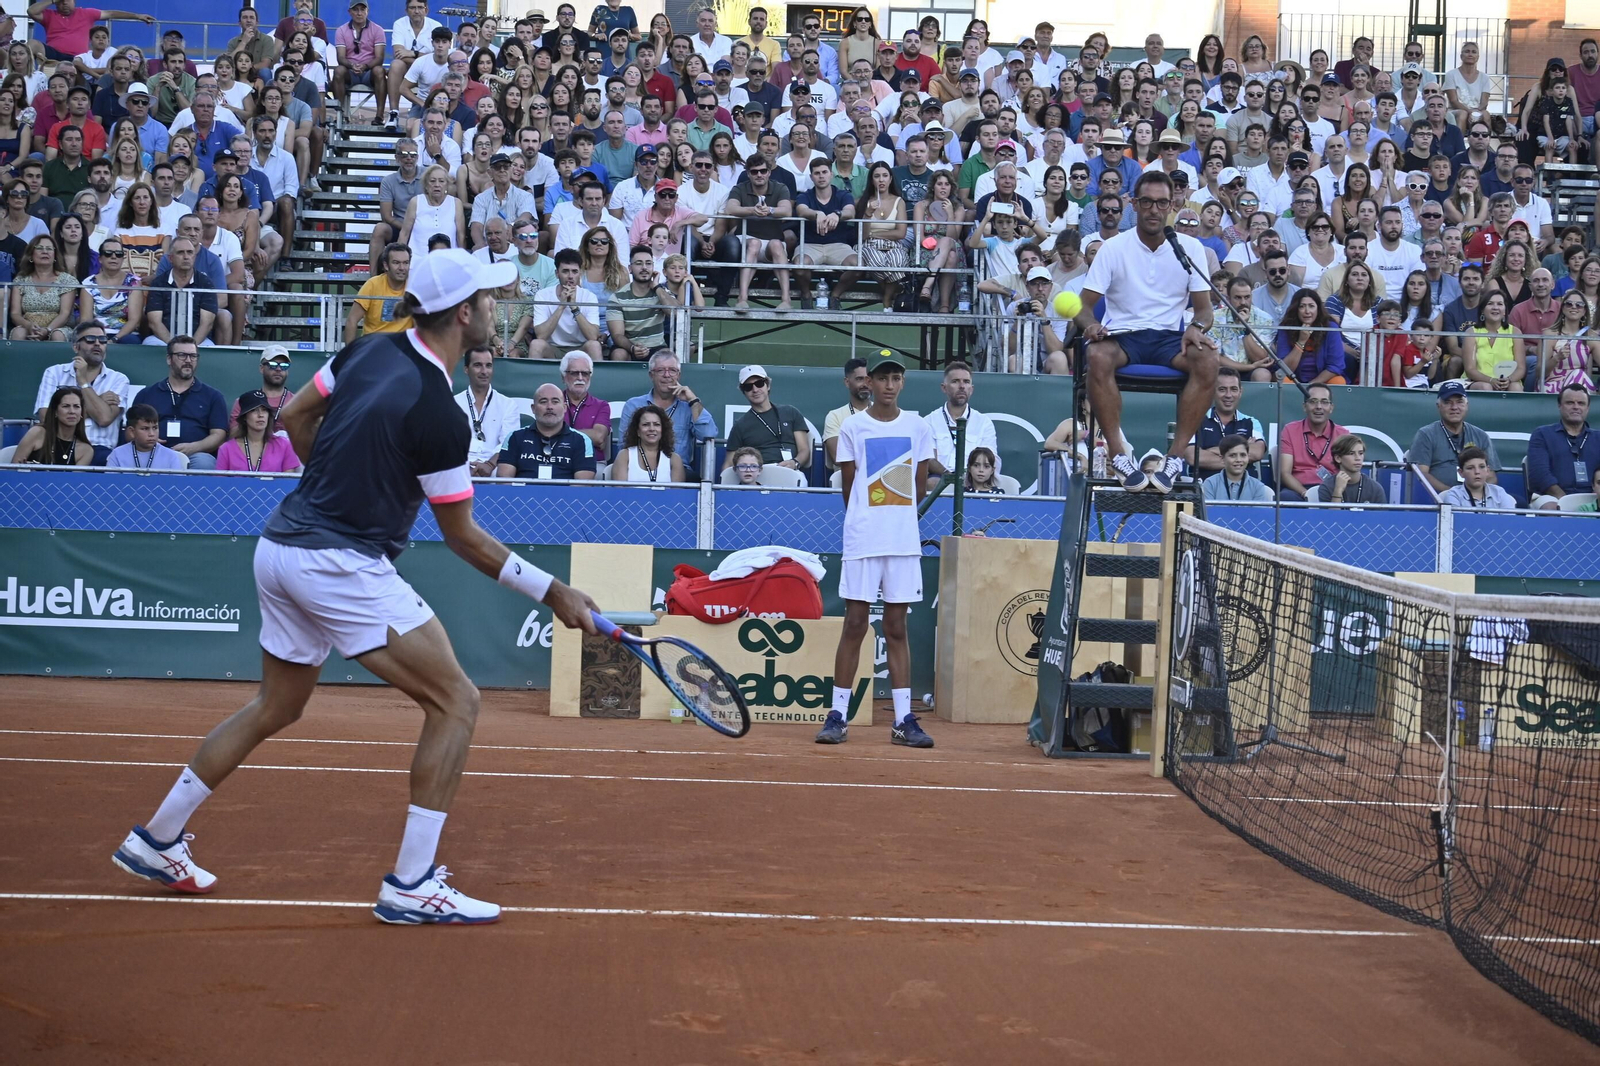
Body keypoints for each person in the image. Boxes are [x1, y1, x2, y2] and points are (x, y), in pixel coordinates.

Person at [113, 248, 601, 923]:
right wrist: (557, 593)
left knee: (276, 706)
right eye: (488, 298)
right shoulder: (441, 413)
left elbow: (294, 419)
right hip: (338, 562)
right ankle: (412, 883)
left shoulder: (367, 349)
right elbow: (462, 537)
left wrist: (337, 482)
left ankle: (157, 838)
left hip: (280, 546)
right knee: (457, 702)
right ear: (464, 313)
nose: (496, 306)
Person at [815, 350, 935, 749]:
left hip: (901, 540)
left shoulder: (918, 426)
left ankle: (903, 720)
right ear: (869, 383)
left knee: (897, 626)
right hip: (864, 538)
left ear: (902, 382)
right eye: (881, 377)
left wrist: (893, 516)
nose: (887, 384)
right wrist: (868, 521)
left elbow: (919, 487)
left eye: (894, 377)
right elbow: (849, 488)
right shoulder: (853, 427)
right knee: (855, 623)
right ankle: (837, 715)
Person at [1070, 170, 1219, 491]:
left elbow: (1205, 310)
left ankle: (1176, 458)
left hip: (1170, 339)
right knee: (1095, 355)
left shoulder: (1189, 248)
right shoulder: (1112, 248)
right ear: (1134, 205)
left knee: (1208, 360)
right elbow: (1083, 307)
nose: (1154, 209)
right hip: (1123, 337)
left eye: (1161, 203)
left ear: (1171, 206)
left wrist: (1196, 327)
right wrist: (1092, 325)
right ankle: (1118, 454)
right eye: (1147, 202)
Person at [129, 337, 227, 470]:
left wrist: (194, 447)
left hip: (196, 455)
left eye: (193, 356)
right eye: (182, 355)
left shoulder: (213, 396)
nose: (188, 360)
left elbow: (219, 435)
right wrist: (147, 441)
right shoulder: (147, 394)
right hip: (152, 452)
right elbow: (130, 432)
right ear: (169, 359)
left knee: (204, 463)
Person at [618, 348, 717, 478]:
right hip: (639, 471)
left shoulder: (689, 407)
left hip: (679, 471)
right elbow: (624, 445)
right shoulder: (633, 405)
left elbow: (708, 434)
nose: (667, 375)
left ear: (679, 375)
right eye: (660, 370)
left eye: (672, 370)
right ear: (651, 375)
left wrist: (693, 400)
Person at [33, 319, 127, 451]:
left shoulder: (119, 379)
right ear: (75, 347)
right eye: (90, 339)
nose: (97, 344)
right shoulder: (54, 372)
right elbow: (46, 417)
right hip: (59, 445)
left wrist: (83, 382)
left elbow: (104, 418)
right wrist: (99, 401)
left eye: (102, 340)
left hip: (99, 449)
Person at [495, 383, 598, 481]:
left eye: (555, 401)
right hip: (522, 498)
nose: (549, 407)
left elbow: (582, 487)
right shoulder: (515, 437)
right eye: (543, 402)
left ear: (565, 408)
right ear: (533, 408)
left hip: (566, 498)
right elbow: (505, 482)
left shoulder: (581, 441)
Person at [921, 360, 997, 489]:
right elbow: (928, 459)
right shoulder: (929, 421)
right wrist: (950, 477)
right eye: (955, 381)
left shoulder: (984, 422)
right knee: (932, 483)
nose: (962, 386)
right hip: (942, 478)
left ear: (971, 389)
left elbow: (992, 458)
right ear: (944, 388)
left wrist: (969, 476)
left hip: (974, 478)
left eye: (966, 382)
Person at [723, 363, 810, 471]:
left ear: (768, 385)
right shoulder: (740, 425)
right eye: (748, 387)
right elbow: (729, 463)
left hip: (791, 471)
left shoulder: (790, 412)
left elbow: (804, 450)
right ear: (744, 392)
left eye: (759, 383)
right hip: (758, 475)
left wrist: (795, 463)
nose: (755, 390)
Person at [1527, 385, 1600, 510]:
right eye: (1570, 403)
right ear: (1559, 406)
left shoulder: (1598, 437)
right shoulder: (1542, 434)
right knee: (1551, 507)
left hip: (1594, 496)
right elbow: (1540, 475)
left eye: (1581, 403)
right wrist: (1565, 500)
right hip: (1552, 496)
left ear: (1587, 408)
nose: (1576, 407)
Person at [454, 346, 522, 478]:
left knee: (505, 471)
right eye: (478, 365)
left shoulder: (507, 405)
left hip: (494, 468)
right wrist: (463, 468)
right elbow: (448, 443)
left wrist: (490, 465)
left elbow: (508, 443)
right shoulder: (453, 403)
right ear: (466, 369)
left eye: (488, 366)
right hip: (459, 466)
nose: (484, 371)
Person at [522, 247, 602, 359]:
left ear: (580, 273)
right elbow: (541, 335)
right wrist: (561, 306)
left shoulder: (589, 297)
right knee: (536, 344)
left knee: (594, 345)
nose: (570, 276)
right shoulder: (543, 295)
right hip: (553, 348)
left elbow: (593, 336)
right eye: (565, 271)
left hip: (581, 348)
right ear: (557, 273)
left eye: (574, 271)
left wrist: (574, 307)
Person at [1276, 383, 1348, 501]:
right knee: (1285, 497)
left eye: (1324, 402)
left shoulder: (1343, 434)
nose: (1318, 406)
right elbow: (1285, 473)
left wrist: (1335, 491)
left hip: (1331, 489)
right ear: (1305, 406)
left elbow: (1347, 471)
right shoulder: (1290, 430)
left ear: (1331, 407)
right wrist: (1306, 493)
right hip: (1299, 490)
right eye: (1313, 401)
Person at [27, 0, 153, 63]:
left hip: (78, 58)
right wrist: (53, 0)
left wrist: (137, 16)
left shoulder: (86, 13)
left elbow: (111, 13)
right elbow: (31, 11)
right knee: (32, 44)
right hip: (53, 54)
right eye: (61, 1)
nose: (64, 3)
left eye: (68, 0)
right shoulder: (50, 15)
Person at [1193, 367, 1267, 474]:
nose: (1228, 395)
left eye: (1234, 389)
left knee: (1268, 491)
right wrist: (1243, 449)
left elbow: (1257, 453)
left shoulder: (1251, 422)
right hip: (1205, 487)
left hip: (1245, 486)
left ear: (1240, 392)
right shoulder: (1196, 421)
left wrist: (1211, 451)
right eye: (1222, 389)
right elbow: (1193, 457)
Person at [217, 390, 301, 473]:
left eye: (264, 410)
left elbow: (288, 483)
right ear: (244, 417)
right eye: (254, 410)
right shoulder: (226, 449)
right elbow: (219, 484)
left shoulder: (284, 445)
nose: (260, 415)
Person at [11, 384, 93, 465]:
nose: (72, 411)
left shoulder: (86, 450)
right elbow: (13, 470)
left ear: (82, 412)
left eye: (76, 406)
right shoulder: (37, 433)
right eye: (66, 406)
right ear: (55, 411)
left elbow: (75, 478)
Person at [558, 350, 612, 461]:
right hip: (559, 460)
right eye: (574, 373)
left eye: (585, 373)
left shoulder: (601, 406)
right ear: (563, 377)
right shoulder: (553, 402)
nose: (580, 378)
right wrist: (587, 435)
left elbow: (598, 437)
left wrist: (561, 434)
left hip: (591, 462)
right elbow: (545, 434)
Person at [611, 403, 685, 483]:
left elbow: (677, 494)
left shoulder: (674, 459)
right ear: (638, 431)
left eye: (656, 424)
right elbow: (619, 492)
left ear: (663, 430)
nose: (652, 429)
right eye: (646, 425)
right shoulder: (624, 456)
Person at [230, 346, 296, 430]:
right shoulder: (244, 402)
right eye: (273, 365)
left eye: (284, 365)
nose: (279, 369)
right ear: (261, 368)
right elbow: (233, 436)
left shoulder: (298, 402)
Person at [107, 402, 188, 470]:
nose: (152, 434)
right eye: (145, 429)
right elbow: (110, 485)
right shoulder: (117, 455)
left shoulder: (171, 456)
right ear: (132, 431)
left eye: (155, 428)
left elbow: (176, 487)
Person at [1310, 433, 1386, 505]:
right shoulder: (1327, 487)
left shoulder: (1375, 488)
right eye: (1351, 453)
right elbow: (1331, 518)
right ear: (1338, 458)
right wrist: (1337, 491)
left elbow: (1382, 518)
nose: (1358, 458)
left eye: (1360, 453)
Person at [823, 357, 871, 470]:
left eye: (868, 379)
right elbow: (838, 457)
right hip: (847, 479)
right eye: (859, 379)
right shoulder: (835, 416)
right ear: (847, 382)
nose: (865, 384)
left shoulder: (882, 413)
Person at [1440, 445, 1518, 510]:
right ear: (1461, 473)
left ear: (1488, 470)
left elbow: (1509, 523)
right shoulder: (1454, 495)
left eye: (1481, 467)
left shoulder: (1499, 493)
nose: (1477, 472)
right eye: (1470, 468)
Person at [1202, 433, 1273, 502]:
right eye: (1232, 455)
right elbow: (1208, 512)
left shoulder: (1257, 487)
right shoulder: (1210, 484)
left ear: (1248, 457)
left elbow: (1257, 514)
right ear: (1222, 459)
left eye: (1243, 455)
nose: (1238, 460)